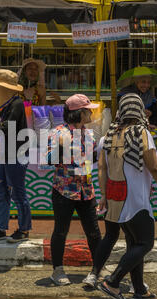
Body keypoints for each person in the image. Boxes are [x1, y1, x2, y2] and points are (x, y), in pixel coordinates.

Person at [96, 93, 157, 299]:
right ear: (139, 110)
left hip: (117, 199)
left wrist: (103, 196)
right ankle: (112, 282)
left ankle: (139, 290)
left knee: (134, 244)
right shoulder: (142, 133)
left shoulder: (110, 134)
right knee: (145, 244)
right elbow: (154, 167)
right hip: (136, 200)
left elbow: (101, 169)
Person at [46, 94, 101, 286]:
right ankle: (57, 270)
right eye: (88, 110)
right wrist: (64, 147)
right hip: (64, 190)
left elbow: (92, 158)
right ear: (78, 113)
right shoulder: (58, 133)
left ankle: (97, 271)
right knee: (61, 231)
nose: (91, 112)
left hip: (86, 190)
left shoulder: (90, 134)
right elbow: (49, 160)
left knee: (94, 233)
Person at [0, 69, 32, 243]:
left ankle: (24, 229)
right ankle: (1, 228)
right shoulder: (7, 104)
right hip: (4, 154)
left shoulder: (17, 104)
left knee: (18, 193)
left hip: (16, 155)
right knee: (1, 191)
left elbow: (6, 128)